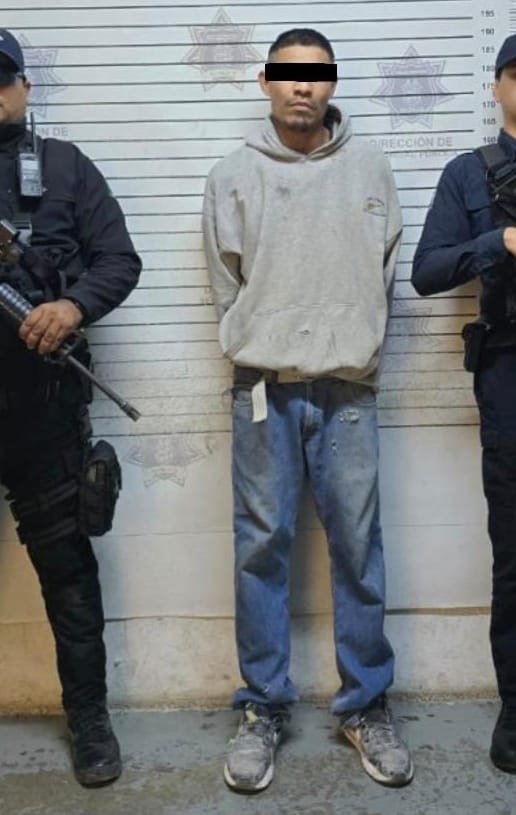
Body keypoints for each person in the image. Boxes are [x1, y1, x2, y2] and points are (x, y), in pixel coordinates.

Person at [202, 27, 413, 792]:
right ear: (265, 82)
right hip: (264, 389)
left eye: (316, 74)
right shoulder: (233, 175)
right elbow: (226, 283)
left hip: (348, 391)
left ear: (332, 83)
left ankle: (365, 704)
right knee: (261, 547)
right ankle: (262, 707)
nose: (302, 86)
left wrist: (355, 349)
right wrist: (262, 344)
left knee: (359, 546)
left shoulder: (370, 167)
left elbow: (385, 270)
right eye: (288, 74)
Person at [0, 29, 141, 786]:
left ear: (24, 87)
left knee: (69, 578)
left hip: (44, 408)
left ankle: (89, 719)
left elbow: (120, 258)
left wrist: (72, 307)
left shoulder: (63, 166)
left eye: (1, 79)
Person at [412, 34, 516, 777]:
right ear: (497, 86)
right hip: (509, 373)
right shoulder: (469, 174)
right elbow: (427, 272)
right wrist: (500, 240)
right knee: (514, 551)